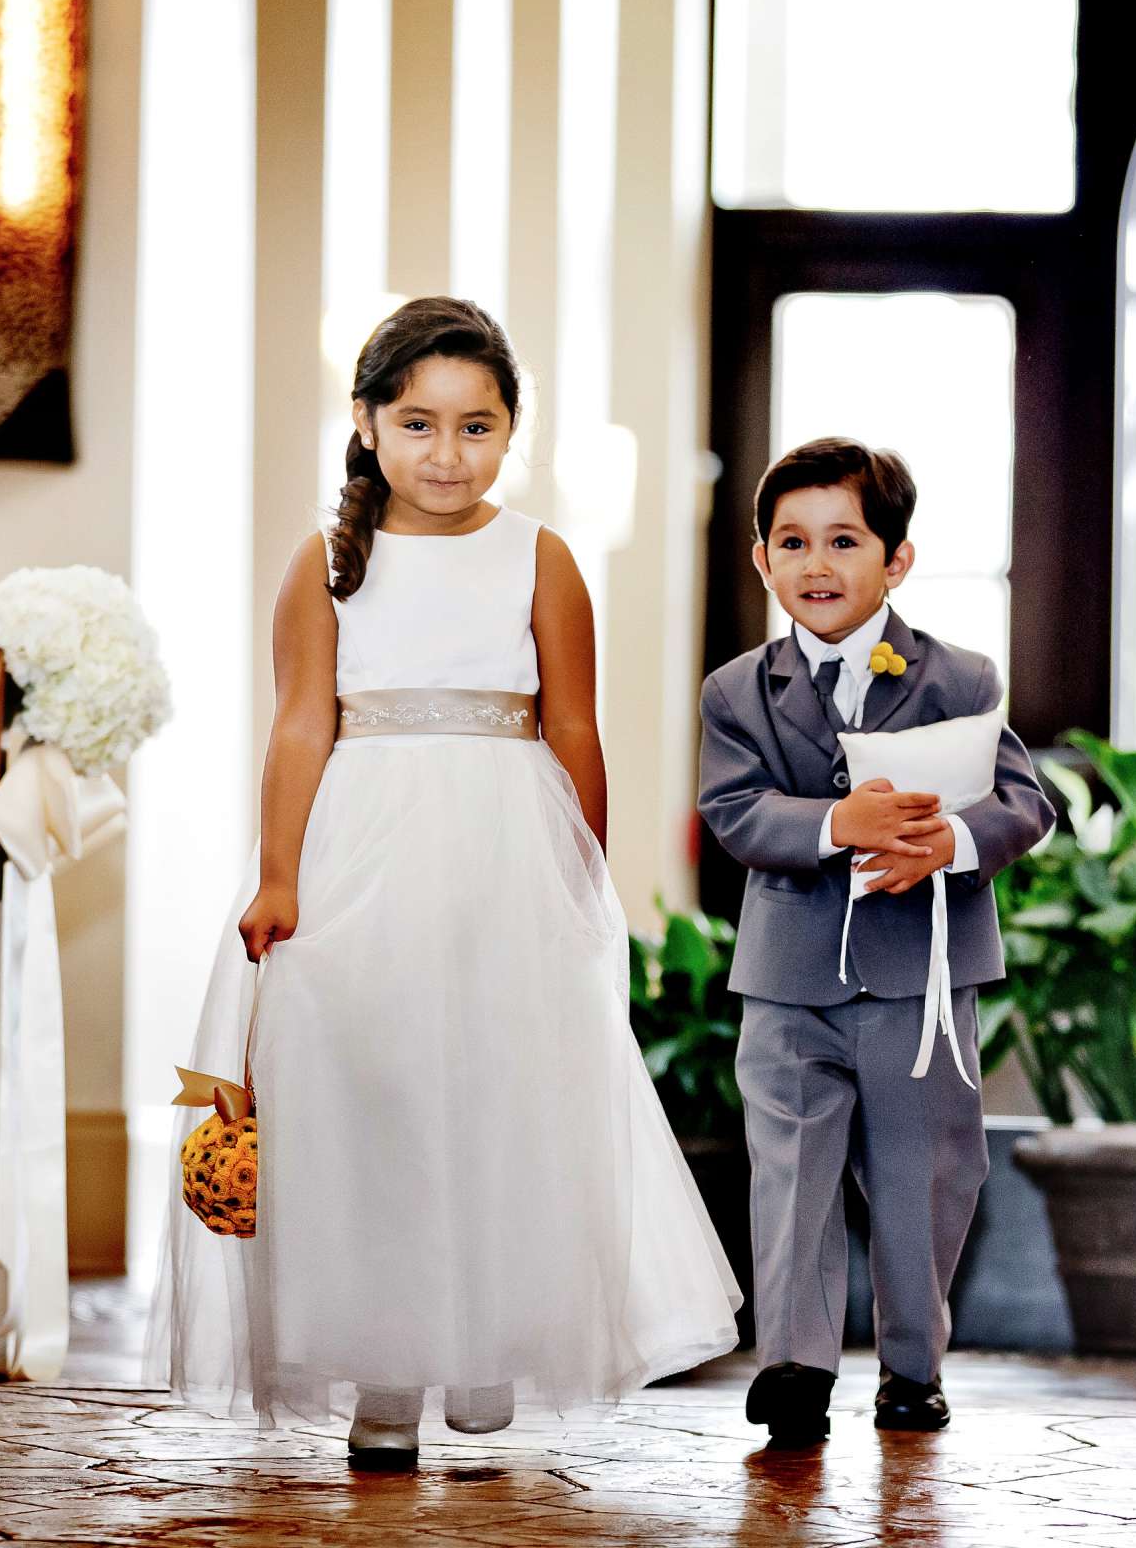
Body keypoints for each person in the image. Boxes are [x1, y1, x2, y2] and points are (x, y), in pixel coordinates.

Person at [150, 296, 739, 1470]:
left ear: (512, 431)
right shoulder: (324, 565)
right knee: (377, 1097)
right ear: (367, 424)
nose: (446, 454)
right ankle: (386, 1367)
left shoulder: (540, 556)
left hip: (505, 849)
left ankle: (490, 1340)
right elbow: (301, 725)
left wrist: (585, 876)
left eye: (476, 427)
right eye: (417, 423)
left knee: (501, 1089)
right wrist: (278, 876)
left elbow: (574, 722)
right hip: (362, 847)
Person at [696, 437, 1054, 1446]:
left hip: (921, 977)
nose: (816, 564)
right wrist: (831, 824)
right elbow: (733, 810)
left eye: (843, 540)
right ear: (762, 560)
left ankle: (912, 1364)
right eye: (792, 542)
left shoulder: (960, 676)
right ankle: (797, 1364)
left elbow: (1027, 801)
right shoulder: (736, 692)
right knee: (792, 1170)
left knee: (923, 1173)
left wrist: (951, 841)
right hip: (789, 976)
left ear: (895, 559)